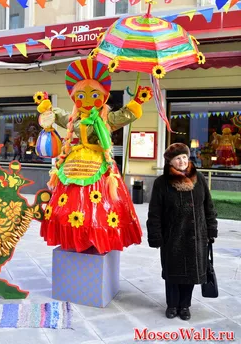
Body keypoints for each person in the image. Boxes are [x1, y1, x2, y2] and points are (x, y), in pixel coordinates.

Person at [37, 59, 153, 254]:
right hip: (75, 163)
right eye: (81, 96)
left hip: (99, 163)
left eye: (94, 95)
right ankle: (76, 235)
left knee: (99, 206)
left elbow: (125, 115)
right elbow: (57, 115)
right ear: (75, 98)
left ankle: (97, 235)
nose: (88, 100)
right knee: (73, 203)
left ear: (104, 97)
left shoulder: (106, 119)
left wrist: (137, 102)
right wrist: (45, 105)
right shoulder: (73, 119)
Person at [147, 143, 218, 321]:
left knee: (192, 273)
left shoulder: (199, 178)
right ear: (170, 161)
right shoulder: (161, 183)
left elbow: (209, 206)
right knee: (173, 273)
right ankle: (172, 304)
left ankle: (185, 305)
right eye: (178, 158)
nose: (182, 161)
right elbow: (154, 212)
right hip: (173, 237)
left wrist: (211, 229)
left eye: (184, 157)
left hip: (196, 236)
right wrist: (156, 235)